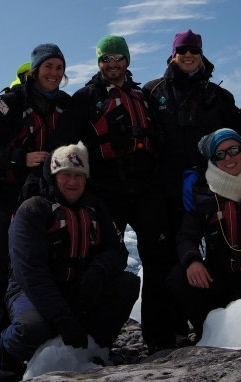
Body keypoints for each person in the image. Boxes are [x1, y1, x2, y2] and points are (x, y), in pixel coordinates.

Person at [52, 35, 177, 353]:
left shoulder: (142, 95)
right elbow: (63, 145)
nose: (112, 64)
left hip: (147, 190)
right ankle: (95, 338)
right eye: (105, 58)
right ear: (98, 63)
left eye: (117, 57)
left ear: (127, 60)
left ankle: (159, 339)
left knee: (158, 261)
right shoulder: (85, 98)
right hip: (107, 194)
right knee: (101, 263)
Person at [0, 145, 140, 382]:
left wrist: (98, 271)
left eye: (79, 175)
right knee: (32, 328)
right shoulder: (32, 209)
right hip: (31, 290)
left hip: (79, 285)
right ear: (53, 177)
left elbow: (117, 251)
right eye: (66, 175)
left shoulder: (96, 208)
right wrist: (62, 318)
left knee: (128, 283)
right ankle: (5, 353)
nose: (73, 182)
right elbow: (30, 273)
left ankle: (95, 348)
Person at [0, 44, 72, 350]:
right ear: (34, 70)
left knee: (46, 267)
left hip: (46, 203)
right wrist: (21, 157)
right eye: (48, 67)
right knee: (2, 270)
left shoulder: (67, 107)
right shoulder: (8, 104)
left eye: (59, 68)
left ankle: (42, 335)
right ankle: (0, 341)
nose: (54, 73)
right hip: (5, 201)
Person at [143, 29, 241, 234]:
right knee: (169, 254)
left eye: (194, 50)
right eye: (182, 49)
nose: (188, 54)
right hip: (165, 187)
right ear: (173, 55)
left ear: (201, 55)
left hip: (211, 187)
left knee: (216, 250)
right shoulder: (153, 91)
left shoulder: (218, 96)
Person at [167, 129, 241, 340]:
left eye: (233, 149)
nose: (228, 158)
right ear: (213, 161)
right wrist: (192, 261)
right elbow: (186, 237)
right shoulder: (204, 194)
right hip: (223, 277)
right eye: (220, 154)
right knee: (178, 277)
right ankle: (208, 333)